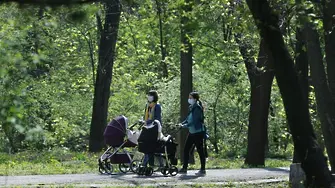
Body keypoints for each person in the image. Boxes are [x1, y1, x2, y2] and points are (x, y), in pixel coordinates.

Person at [179, 91, 206, 175]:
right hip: (192, 132)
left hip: (198, 132)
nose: (189, 99)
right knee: (186, 149)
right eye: (189, 98)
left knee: (200, 150)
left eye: (190, 98)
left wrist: (185, 126)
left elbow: (194, 121)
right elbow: (188, 119)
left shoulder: (197, 108)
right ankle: (184, 168)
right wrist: (181, 123)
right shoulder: (192, 107)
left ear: (195, 99)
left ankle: (202, 169)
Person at [141, 90, 163, 167]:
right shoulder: (147, 106)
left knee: (152, 147)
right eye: (148, 95)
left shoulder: (157, 106)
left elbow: (158, 119)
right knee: (150, 147)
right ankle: (156, 164)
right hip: (147, 128)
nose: (149, 97)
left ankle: (145, 164)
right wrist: (144, 122)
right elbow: (145, 116)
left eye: (151, 95)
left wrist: (149, 122)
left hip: (155, 128)